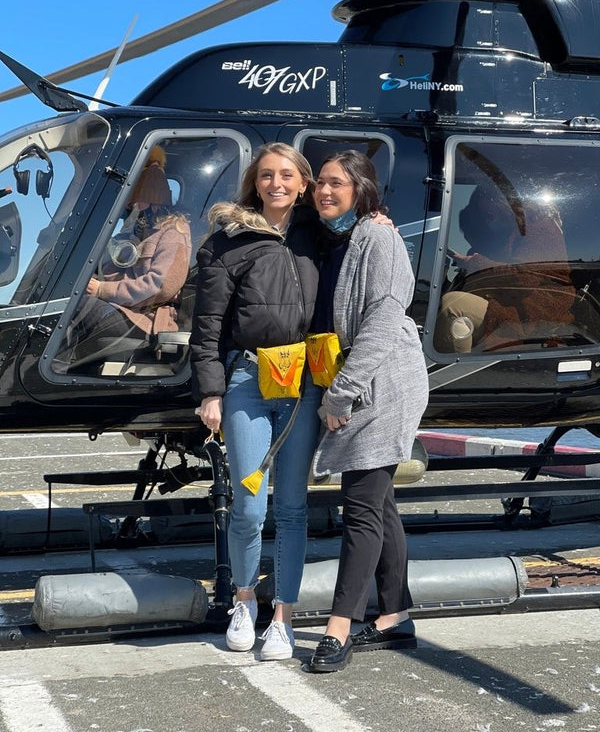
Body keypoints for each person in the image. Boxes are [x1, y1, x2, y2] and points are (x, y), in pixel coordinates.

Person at [189, 142, 323, 661]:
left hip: (304, 383)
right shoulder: (227, 244)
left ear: (303, 183)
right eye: (267, 175)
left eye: (287, 175)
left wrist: (374, 220)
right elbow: (207, 328)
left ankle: (282, 619)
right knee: (248, 506)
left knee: (291, 507)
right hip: (248, 378)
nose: (276, 184)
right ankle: (243, 602)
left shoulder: (320, 236)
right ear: (254, 183)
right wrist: (210, 392)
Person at [307, 150, 428, 674]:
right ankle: (394, 616)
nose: (324, 191)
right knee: (379, 506)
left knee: (359, 506)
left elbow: (382, 318)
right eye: (320, 184)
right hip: (365, 377)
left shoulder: (379, 238)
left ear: (361, 190)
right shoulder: (346, 237)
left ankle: (339, 629)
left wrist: (342, 392)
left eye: (336, 183)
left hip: (382, 382)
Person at [55, 146, 192, 371]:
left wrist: (101, 290)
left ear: (152, 196)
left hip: (143, 320)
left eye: (136, 201)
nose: (132, 206)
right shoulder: (135, 232)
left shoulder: (174, 231)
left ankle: (53, 374)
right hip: (122, 311)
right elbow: (108, 267)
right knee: (66, 295)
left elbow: (160, 286)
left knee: (75, 303)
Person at [434, 186, 575, 353]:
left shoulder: (541, 228)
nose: (487, 221)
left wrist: (473, 263)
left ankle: (453, 374)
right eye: (484, 216)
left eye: (489, 215)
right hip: (507, 306)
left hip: (533, 313)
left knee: (453, 307)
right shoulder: (502, 241)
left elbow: (523, 278)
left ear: (503, 203)